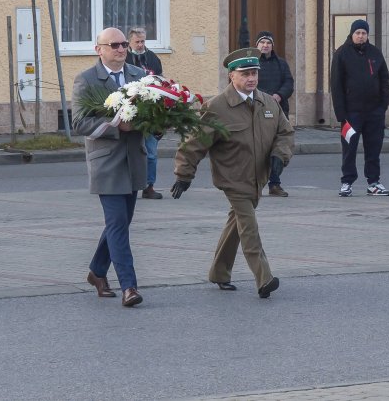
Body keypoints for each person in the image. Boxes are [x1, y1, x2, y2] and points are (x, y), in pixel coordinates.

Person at [172, 47, 294, 298]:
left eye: (255, 73)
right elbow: (194, 143)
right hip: (233, 179)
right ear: (231, 76)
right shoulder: (217, 107)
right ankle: (264, 278)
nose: (251, 78)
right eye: (245, 73)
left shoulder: (267, 102)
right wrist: (184, 174)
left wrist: (279, 156)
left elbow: (285, 133)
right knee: (248, 227)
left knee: (235, 224)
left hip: (257, 178)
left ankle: (219, 272)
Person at [71, 27, 146, 307]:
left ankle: (97, 272)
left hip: (134, 160)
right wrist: (116, 126)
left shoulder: (138, 76)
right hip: (107, 162)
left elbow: (152, 110)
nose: (121, 49)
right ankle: (130, 286)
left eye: (124, 44)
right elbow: (79, 122)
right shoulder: (87, 80)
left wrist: (157, 124)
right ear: (98, 49)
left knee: (121, 223)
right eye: (114, 44)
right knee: (117, 223)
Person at [330, 19, 389, 197]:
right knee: (349, 149)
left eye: (364, 33)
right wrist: (341, 113)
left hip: (374, 112)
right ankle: (347, 182)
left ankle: (373, 182)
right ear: (352, 34)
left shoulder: (375, 53)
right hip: (351, 112)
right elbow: (336, 84)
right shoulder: (342, 53)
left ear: (367, 35)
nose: (361, 36)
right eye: (358, 33)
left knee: (374, 149)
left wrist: (383, 106)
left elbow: (384, 80)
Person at [126, 27, 164, 200]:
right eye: (137, 42)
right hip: (129, 111)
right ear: (129, 42)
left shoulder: (152, 58)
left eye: (143, 41)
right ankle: (127, 184)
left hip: (151, 113)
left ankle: (149, 186)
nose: (141, 45)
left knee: (151, 152)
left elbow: (161, 81)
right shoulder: (123, 58)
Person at [255, 30, 294, 197]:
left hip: (279, 111)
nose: (265, 45)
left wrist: (279, 95)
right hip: (258, 110)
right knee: (259, 148)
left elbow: (289, 82)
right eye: (262, 43)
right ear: (256, 45)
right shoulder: (252, 64)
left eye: (268, 43)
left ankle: (275, 184)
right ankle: (255, 184)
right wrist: (264, 98)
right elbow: (248, 84)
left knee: (278, 148)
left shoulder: (281, 64)